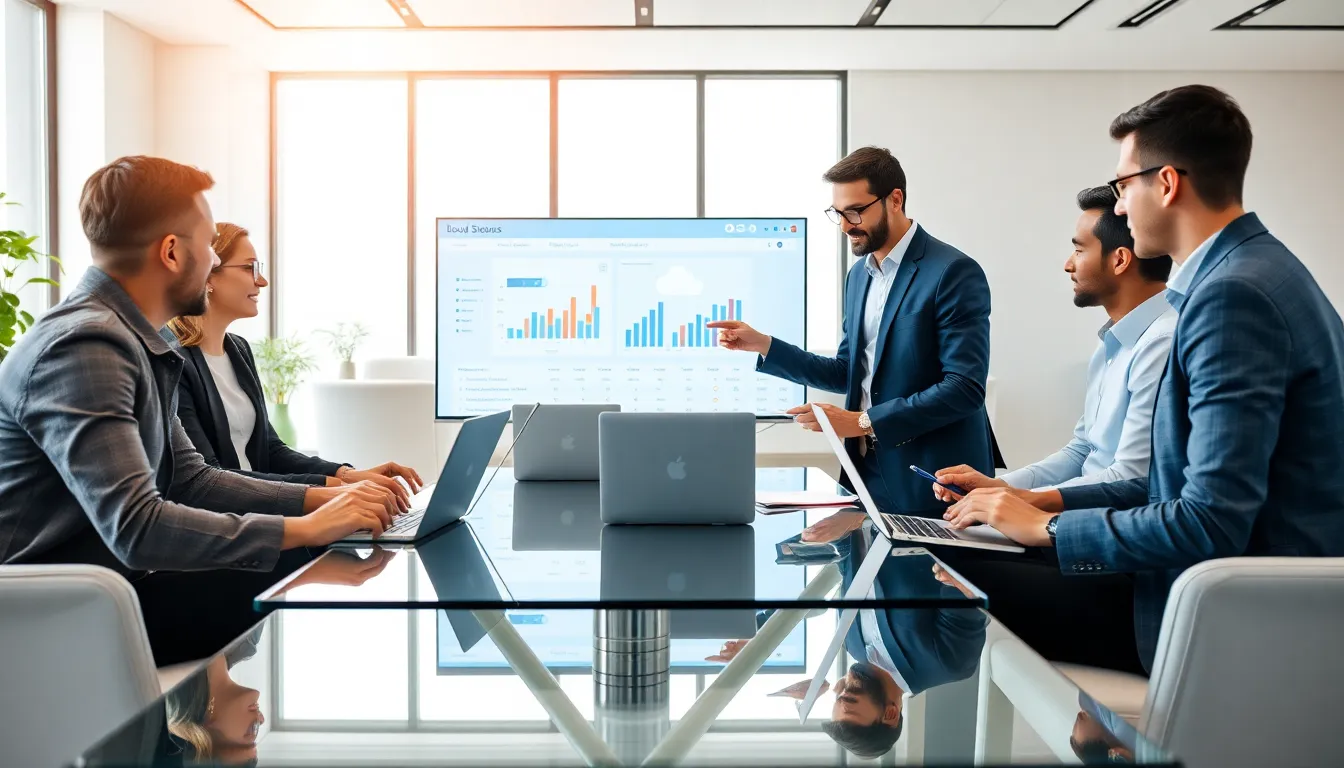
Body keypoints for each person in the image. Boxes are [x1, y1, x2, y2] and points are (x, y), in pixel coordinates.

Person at [937, 85, 1344, 674]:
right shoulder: (1256, 270)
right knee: (953, 560)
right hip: (1231, 585)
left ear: (1168, 183)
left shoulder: (1232, 296)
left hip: (1233, 617)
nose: (1121, 208)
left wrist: (1047, 525)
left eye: (1125, 186)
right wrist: (1024, 507)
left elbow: (1211, 518)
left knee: (950, 577)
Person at [0, 156, 404, 664]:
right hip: (50, 620)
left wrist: (325, 503)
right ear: (172, 251)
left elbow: (193, 481)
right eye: (209, 245)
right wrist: (304, 528)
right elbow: (136, 528)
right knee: (284, 572)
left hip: (104, 591)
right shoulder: (85, 347)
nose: (214, 263)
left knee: (302, 565)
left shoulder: (136, 341)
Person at [709, 146, 997, 517]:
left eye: (855, 211)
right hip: (864, 473)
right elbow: (848, 370)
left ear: (895, 199)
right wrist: (765, 345)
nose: (845, 225)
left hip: (932, 479)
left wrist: (862, 422)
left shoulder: (952, 272)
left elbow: (964, 388)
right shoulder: (859, 276)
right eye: (838, 213)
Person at [934, 188, 1175, 497]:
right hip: (1085, 513)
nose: (1068, 264)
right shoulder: (1113, 342)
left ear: (1119, 261)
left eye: (1079, 250)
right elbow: (1083, 450)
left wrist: (1020, 502)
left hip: (1111, 527)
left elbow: (1132, 476)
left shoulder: (1161, 343)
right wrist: (1000, 487)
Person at [164, 222, 422, 494]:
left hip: (265, 513)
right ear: (208, 275)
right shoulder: (172, 360)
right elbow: (209, 477)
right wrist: (337, 489)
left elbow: (271, 450)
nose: (261, 281)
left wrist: (348, 475)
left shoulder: (238, 350)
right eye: (249, 267)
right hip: (231, 524)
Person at [822, 527, 988, 759]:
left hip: (859, 513)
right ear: (890, 714)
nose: (842, 689)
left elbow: (849, 568)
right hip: (920, 510)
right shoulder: (947, 664)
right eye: (851, 698)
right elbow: (965, 577)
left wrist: (837, 536)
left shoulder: (852, 645)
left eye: (839, 697)